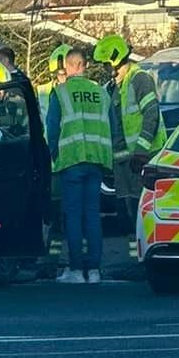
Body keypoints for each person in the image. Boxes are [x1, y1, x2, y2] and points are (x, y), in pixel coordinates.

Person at [45, 46, 119, 284]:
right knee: (92, 215)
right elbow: (114, 129)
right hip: (96, 161)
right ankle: (95, 271)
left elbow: (52, 129)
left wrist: (54, 155)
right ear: (85, 66)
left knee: (73, 215)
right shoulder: (102, 94)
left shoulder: (61, 93)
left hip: (71, 160)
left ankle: (76, 270)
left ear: (71, 66)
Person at [93, 33, 161, 224]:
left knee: (143, 205)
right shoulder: (110, 87)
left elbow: (151, 116)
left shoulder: (140, 80)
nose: (105, 69)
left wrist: (141, 152)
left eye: (106, 64)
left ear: (115, 60)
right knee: (125, 204)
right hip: (121, 159)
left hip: (143, 156)